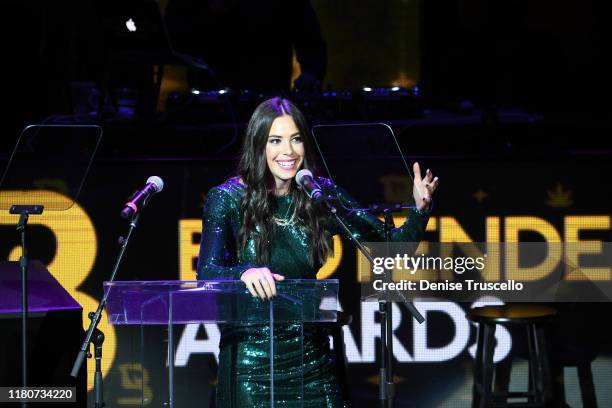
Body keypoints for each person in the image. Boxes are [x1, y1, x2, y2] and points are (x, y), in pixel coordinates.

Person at [197, 97, 439, 407]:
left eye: (296, 139)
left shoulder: (319, 193)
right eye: (276, 141)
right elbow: (208, 272)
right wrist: (245, 271)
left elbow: (389, 247)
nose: (288, 151)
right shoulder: (227, 198)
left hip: (312, 360)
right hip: (250, 363)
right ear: (259, 145)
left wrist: (420, 208)